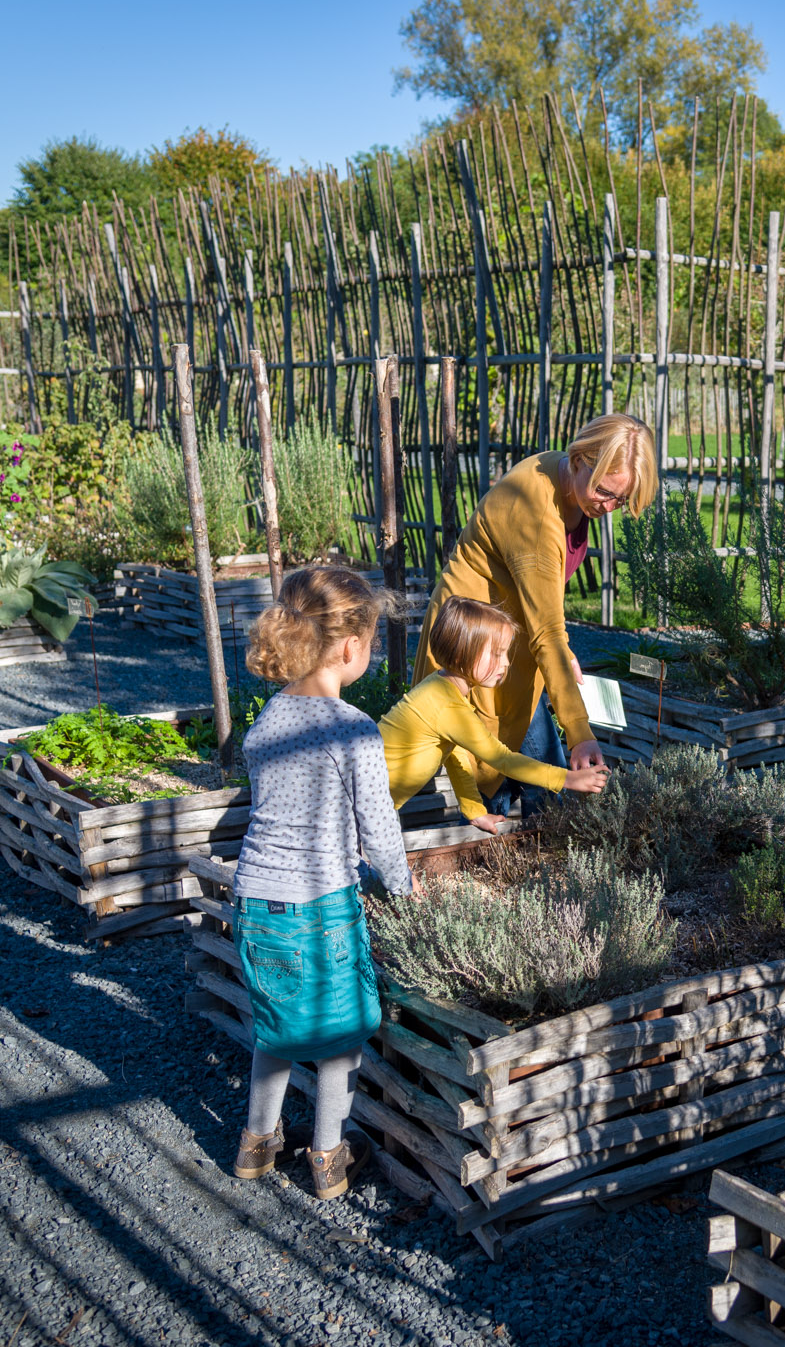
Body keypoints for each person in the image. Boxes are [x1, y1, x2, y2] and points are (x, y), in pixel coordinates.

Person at [229, 565, 411, 1201]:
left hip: (254, 900)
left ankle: (257, 1143)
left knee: (278, 1023)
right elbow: (379, 831)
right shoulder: (353, 729)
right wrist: (402, 886)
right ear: (352, 646)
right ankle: (328, 1155)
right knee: (340, 1032)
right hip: (320, 903)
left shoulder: (269, 718)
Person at [412, 413, 658, 815]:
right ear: (580, 459)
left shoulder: (565, 479)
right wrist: (580, 734)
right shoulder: (537, 512)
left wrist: (563, 655)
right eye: (604, 492)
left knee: (531, 773)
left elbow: (542, 605)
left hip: (508, 638)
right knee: (492, 767)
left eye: (620, 499)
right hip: (473, 646)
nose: (609, 506)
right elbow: (547, 632)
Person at [382, 596, 611, 833]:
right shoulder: (448, 706)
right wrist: (568, 779)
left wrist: (475, 811)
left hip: (368, 798)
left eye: (505, 653)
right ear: (462, 655)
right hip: (360, 797)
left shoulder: (440, 688)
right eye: (496, 654)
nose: (506, 663)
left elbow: (455, 754)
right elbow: (502, 759)